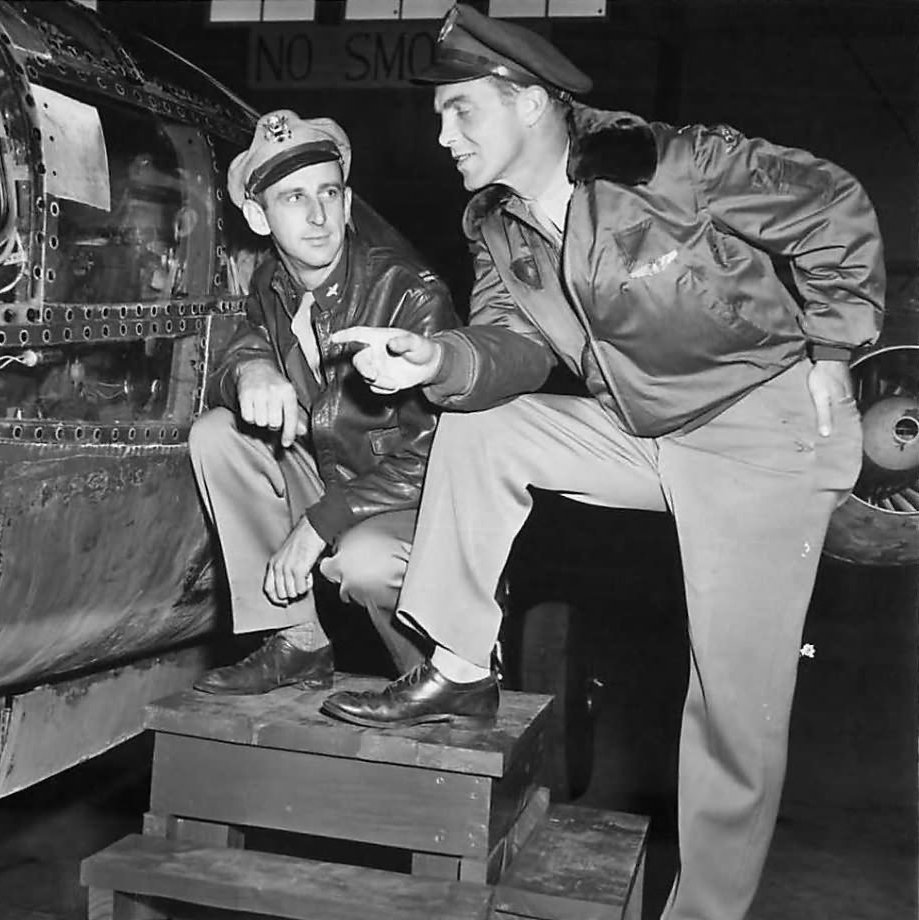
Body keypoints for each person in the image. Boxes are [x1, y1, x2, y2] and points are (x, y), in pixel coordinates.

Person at [319, 6, 884, 920]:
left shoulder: (667, 165)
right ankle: (460, 665)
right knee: (482, 424)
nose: (442, 132)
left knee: (732, 719)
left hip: (762, 435)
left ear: (533, 102)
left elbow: (833, 205)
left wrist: (832, 349)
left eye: (462, 109)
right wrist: (439, 361)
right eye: (438, 115)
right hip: (650, 433)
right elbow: (509, 343)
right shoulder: (495, 224)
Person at [190, 109, 457, 695]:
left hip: (414, 499)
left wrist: (321, 522)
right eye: (292, 199)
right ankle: (299, 641)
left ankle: (441, 676)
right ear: (258, 217)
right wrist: (251, 367)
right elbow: (247, 340)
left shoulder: (408, 293)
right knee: (216, 435)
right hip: (337, 480)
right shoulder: (274, 284)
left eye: (328, 193)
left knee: (361, 562)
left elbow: (444, 452)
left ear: (347, 198)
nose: (317, 217)